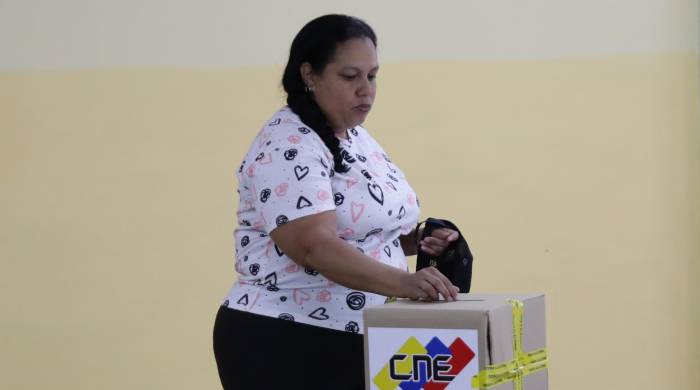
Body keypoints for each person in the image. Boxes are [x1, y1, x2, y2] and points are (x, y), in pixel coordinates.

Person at [213, 14, 460, 390]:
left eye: (372, 76)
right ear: (310, 75)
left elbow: (365, 232)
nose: (366, 89)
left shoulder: (356, 137)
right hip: (288, 339)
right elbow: (315, 248)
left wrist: (420, 240)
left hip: (359, 335)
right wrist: (405, 283)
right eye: (350, 77)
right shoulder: (288, 144)